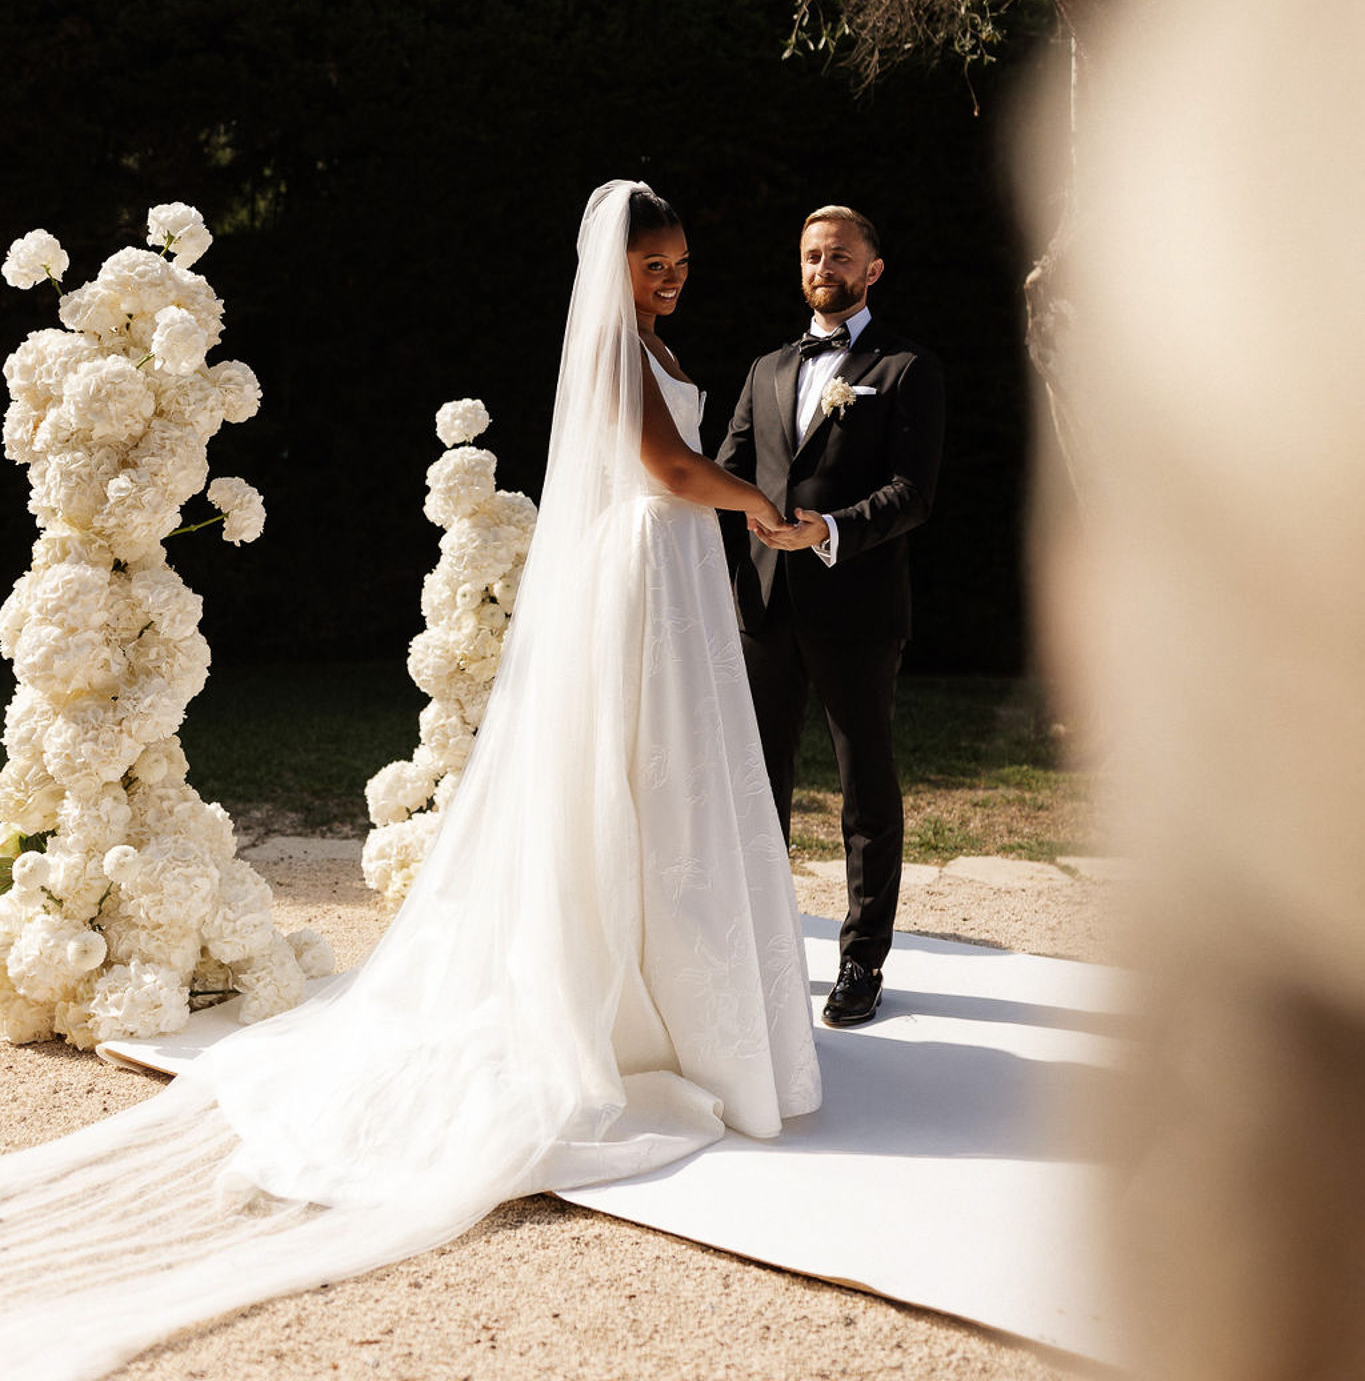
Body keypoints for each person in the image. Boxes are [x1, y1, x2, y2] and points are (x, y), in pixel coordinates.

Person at [0, 181, 819, 1381]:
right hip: (651, 567)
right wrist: (756, 502)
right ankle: (641, 1005)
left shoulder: (657, 344)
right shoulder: (617, 351)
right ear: (617, 265)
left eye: (683, 263)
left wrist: (729, 502)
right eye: (658, 263)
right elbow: (664, 467)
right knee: (644, 772)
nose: (673, 279)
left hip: (670, 568)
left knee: (683, 780)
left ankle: (690, 994)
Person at [718, 205, 944, 1029]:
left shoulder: (907, 366)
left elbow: (912, 493)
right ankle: (760, 946)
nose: (824, 266)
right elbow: (728, 469)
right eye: (812, 255)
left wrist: (831, 531)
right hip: (764, 607)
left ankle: (860, 960)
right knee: (755, 785)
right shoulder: (766, 368)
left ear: (872, 269)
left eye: (840, 255)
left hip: (857, 607)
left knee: (864, 790)